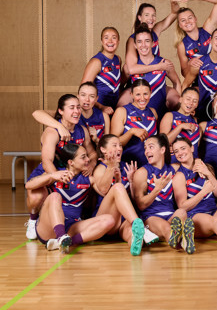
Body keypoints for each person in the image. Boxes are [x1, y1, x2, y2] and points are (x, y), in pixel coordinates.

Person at [26, 94, 97, 239]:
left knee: (91, 184)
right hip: (52, 171)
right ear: (61, 111)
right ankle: (33, 220)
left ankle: (78, 218)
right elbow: (47, 161)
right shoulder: (52, 131)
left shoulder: (82, 130)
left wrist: (92, 165)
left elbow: (92, 153)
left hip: (71, 170)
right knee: (36, 196)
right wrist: (57, 178)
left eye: (78, 107)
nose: (76, 111)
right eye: (71, 108)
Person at [26, 144, 115, 253]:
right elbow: (29, 185)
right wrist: (51, 176)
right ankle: (60, 235)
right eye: (83, 157)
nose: (88, 159)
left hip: (72, 226)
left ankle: (65, 242)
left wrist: (110, 167)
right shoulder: (57, 174)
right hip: (48, 226)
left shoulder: (89, 179)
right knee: (55, 196)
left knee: (109, 220)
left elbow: (104, 191)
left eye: (87, 156)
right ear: (70, 162)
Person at [131, 134, 193, 253]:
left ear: (162, 150)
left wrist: (200, 165)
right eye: (145, 148)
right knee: (166, 227)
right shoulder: (142, 173)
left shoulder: (173, 169)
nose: (146, 151)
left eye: (150, 147)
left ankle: (180, 237)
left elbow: (189, 162)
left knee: (182, 212)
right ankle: (181, 242)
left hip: (170, 215)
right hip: (151, 218)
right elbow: (140, 205)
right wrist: (157, 189)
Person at [122, 0, 182, 107]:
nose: (151, 18)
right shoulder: (132, 39)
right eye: (147, 15)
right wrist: (159, 67)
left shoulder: (155, 30)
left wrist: (173, 2)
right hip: (139, 81)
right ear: (139, 17)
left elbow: (174, 14)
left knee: (174, 98)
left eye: (153, 15)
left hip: (156, 78)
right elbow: (131, 68)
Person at [91, 134, 147, 255]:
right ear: (103, 149)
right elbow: (104, 190)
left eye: (120, 145)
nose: (119, 149)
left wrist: (131, 182)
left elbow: (131, 200)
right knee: (118, 187)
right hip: (106, 218)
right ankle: (136, 222)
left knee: (132, 233)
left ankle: (135, 245)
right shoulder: (100, 168)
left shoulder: (125, 166)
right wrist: (111, 167)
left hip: (122, 220)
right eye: (114, 145)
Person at [129, 24, 182, 118]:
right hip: (139, 117)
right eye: (139, 42)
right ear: (135, 45)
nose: (143, 45)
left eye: (147, 41)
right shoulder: (129, 67)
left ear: (153, 43)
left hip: (161, 114)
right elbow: (121, 88)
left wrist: (179, 107)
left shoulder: (164, 63)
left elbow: (176, 82)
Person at [174, 0, 217, 77]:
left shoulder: (208, 30)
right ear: (180, 25)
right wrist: (190, 64)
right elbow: (184, 74)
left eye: (190, 18)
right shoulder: (182, 45)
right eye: (183, 20)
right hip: (200, 80)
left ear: (195, 19)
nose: (187, 22)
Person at [111, 79, 158, 166]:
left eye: (145, 94)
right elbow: (112, 144)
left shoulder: (153, 112)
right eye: (138, 94)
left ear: (151, 93)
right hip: (128, 165)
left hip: (150, 166)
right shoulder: (122, 111)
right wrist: (131, 132)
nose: (142, 98)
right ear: (131, 94)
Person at [80, 26, 124, 113]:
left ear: (118, 41)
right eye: (106, 37)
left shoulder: (118, 59)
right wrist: (102, 107)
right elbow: (83, 91)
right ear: (102, 41)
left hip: (114, 108)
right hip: (98, 109)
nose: (110, 41)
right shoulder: (96, 62)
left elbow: (117, 85)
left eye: (114, 38)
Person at [160, 87, 201, 163]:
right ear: (180, 99)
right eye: (188, 99)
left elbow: (196, 147)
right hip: (174, 165)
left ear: (197, 105)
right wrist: (180, 127)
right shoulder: (170, 116)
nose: (191, 103)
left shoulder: (195, 121)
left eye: (194, 101)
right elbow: (161, 143)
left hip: (193, 166)